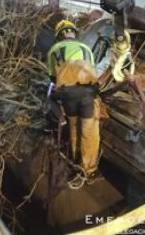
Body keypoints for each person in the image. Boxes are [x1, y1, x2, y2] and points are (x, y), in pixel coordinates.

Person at [47, 20, 101, 179]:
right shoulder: (86, 49)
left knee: (74, 127)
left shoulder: (54, 50)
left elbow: (52, 77)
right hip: (87, 94)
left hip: (67, 95)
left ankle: (74, 159)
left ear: (60, 35)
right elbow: (92, 71)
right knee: (88, 131)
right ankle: (88, 169)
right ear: (73, 32)